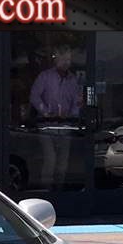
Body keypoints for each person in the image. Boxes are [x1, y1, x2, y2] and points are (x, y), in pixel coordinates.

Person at [29, 46, 82, 190]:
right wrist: (46, 112)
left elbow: (77, 101)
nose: (66, 62)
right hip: (47, 125)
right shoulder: (45, 77)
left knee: (63, 162)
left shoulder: (72, 80)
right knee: (50, 159)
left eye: (68, 59)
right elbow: (34, 96)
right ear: (56, 59)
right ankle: (46, 189)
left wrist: (72, 114)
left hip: (65, 126)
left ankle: (59, 190)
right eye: (63, 59)